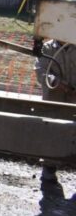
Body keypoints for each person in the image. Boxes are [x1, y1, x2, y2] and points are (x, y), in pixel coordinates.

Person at [34, 38, 75, 182]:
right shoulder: (47, 48)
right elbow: (41, 71)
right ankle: (49, 167)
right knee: (52, 131)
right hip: (54, 99)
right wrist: (58, 84)